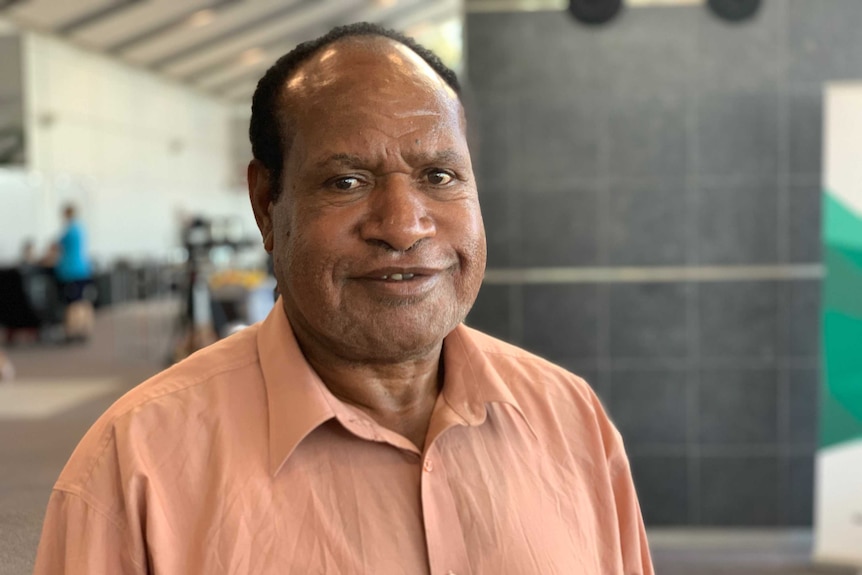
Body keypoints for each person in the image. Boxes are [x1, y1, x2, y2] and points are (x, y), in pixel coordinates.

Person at [33, 23, 654, 574]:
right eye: (347, 181)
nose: (404, 225)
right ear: (265, 206)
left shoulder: (571, 421)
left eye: (439, 176)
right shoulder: (136, 466)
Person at [54, 203, 94, 341]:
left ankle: (71, 331)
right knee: (82, 301)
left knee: (72, 303)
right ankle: (84, 329)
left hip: (71, 272)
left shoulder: (69, 230)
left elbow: (56, 247)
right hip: (83, 270)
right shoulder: (79, 229)